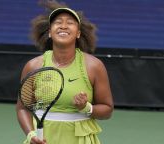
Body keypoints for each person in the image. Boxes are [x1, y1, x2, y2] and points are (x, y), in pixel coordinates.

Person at [16, 1, 114, 144]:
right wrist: (31, 135)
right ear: (50, 32)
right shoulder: (33, 66)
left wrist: (86, 107)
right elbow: (22, 108)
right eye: (57, 22)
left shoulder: (94, 66)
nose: (63, 26)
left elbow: (107, 110)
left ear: (78, 33)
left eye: (70, 23)